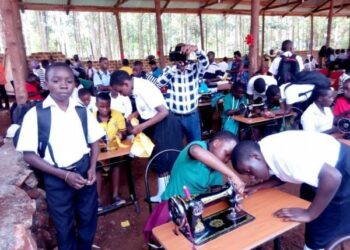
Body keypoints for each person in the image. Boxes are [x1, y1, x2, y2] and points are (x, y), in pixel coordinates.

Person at [16, 62, 105, 249]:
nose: (63, 85)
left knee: (88, 217)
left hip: (83, 172)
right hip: (56, 177)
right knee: (63, 225)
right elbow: (29, 155)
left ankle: (85, 246)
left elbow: (95, 140)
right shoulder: (36, 115)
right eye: (56, 81)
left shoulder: (81, 110)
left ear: (75, 84)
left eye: (69, 81)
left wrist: (91, 167)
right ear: (46, 84)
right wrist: (64, 175)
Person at [231, 130, 350, 250]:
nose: (251, 177)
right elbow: (285, 173)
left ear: (255, 156)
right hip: (328, 170)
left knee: (320, 231)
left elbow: (333, 177)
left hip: (341, 172)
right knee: (311, 205)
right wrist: (260, 186)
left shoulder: (283, 156)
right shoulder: (263, 149)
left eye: (249, 171)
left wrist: (310, 214)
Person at [144, 131, 245, 244]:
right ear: (216, 143)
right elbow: (196, 151)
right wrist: (232, 175)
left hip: (197, 209)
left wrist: (233, 199)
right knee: (169, 240)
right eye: (226, 154)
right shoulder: (198, 146)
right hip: (173, 206)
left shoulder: (216, 170)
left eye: (230, 159)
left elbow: (218, 191)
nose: (227, 160)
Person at [110, 70, 183, 202]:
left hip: (164, 124)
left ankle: (167, 196)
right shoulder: (136, 88)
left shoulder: (143, 88)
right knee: (158, 158)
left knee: (164, 159)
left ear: (126, 84)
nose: (121, 94)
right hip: (156, 124)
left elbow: (163, 112)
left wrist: (141, 127)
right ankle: (163, 194)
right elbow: (148, 105)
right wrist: (136, 113)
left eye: (120, 91)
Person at [153, 43, 209, 142]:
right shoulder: (169, 70)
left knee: (195, 145)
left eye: (183, 55)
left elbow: (205, 64)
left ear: (187, 55)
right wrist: (175, 69)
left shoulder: (195, 68)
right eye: (178, 55)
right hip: (175, 117)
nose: (181, 59)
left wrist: (197, 50)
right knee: (175, 144)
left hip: (192, 115)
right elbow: (159, 84)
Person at [94, 92, 127, 209]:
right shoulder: (92, 117)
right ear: (96, 105)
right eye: (102, 107)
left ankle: (115, 196)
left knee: (116, 164)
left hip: (114, 149)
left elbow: (124, 131)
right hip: (99, 152)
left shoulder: (117, 115)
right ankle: (97, 199)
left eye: (107, 106)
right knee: (96, 167)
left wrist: (121, 134)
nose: (105, 109)